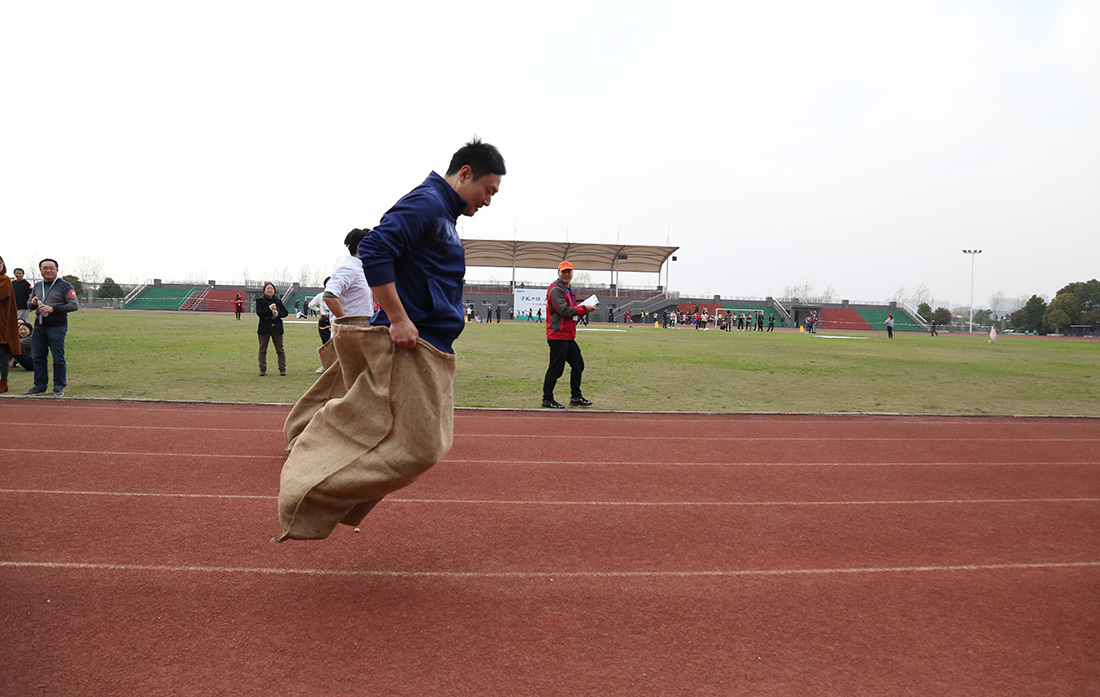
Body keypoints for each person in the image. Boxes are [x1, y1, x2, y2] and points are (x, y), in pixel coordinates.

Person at [276, 137, 505, 542]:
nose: (488, 201)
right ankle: (313, 457)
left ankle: (325, 477)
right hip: (411, 343)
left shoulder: (444, 215)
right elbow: (376, 247)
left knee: (428, 444)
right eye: (488, 190)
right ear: (465, 173)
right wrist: (398, 319)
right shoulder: (427, 203)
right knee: (420, 448)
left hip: (434, 347)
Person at [541, 261, 595, 409]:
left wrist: (581, 309)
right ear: (558, 273)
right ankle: (547, 399)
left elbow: (570, 310)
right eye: (563, 272)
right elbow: (564, 310)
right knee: (556, 369)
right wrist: (583, 309)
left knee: (578, 364)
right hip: (558, 335)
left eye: (569, 272)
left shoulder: (569, 290)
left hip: (567, 335)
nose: (566, 274)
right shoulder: (555, 290)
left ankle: (576, 397)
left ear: (572, 273)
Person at [24, 258, 79, 396]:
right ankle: (40, 386)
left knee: (58, 358)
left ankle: (59, 386)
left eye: (51, 268)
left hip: (57, 326)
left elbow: (74, 305)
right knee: (37, 357)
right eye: (45, 268)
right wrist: (33, 303)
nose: (48, 270)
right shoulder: (37, 286)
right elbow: (29, 305)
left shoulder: (65, 286)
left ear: (57, 270)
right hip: (39, 325)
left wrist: (53, 309)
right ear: (40, 270)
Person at [323, 229, 375, 320]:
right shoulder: (349, 268)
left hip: (363, 327)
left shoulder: (361, 270)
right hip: (350, 329)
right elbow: (329, 295)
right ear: (360, 247)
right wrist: (347, 322)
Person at [256, 282, 289, 376]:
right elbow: (259, 313)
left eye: (271, 289)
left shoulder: (278, 301)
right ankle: (262, 369)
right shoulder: (260, 301)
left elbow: (285, 312)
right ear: (264, 291)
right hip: (264, 328)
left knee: (280, 350)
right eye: (268, 289)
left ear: (274, 291)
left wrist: (279, 314)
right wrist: (269, 309)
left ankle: (282, 369)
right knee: (262, 350)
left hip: (277, 328)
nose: (270, 290)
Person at [0, 256, 22, 393]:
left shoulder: (5, 280)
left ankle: (3, 382)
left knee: (2, 352)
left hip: (2, 322)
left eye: (0, 263)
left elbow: (2, 295)